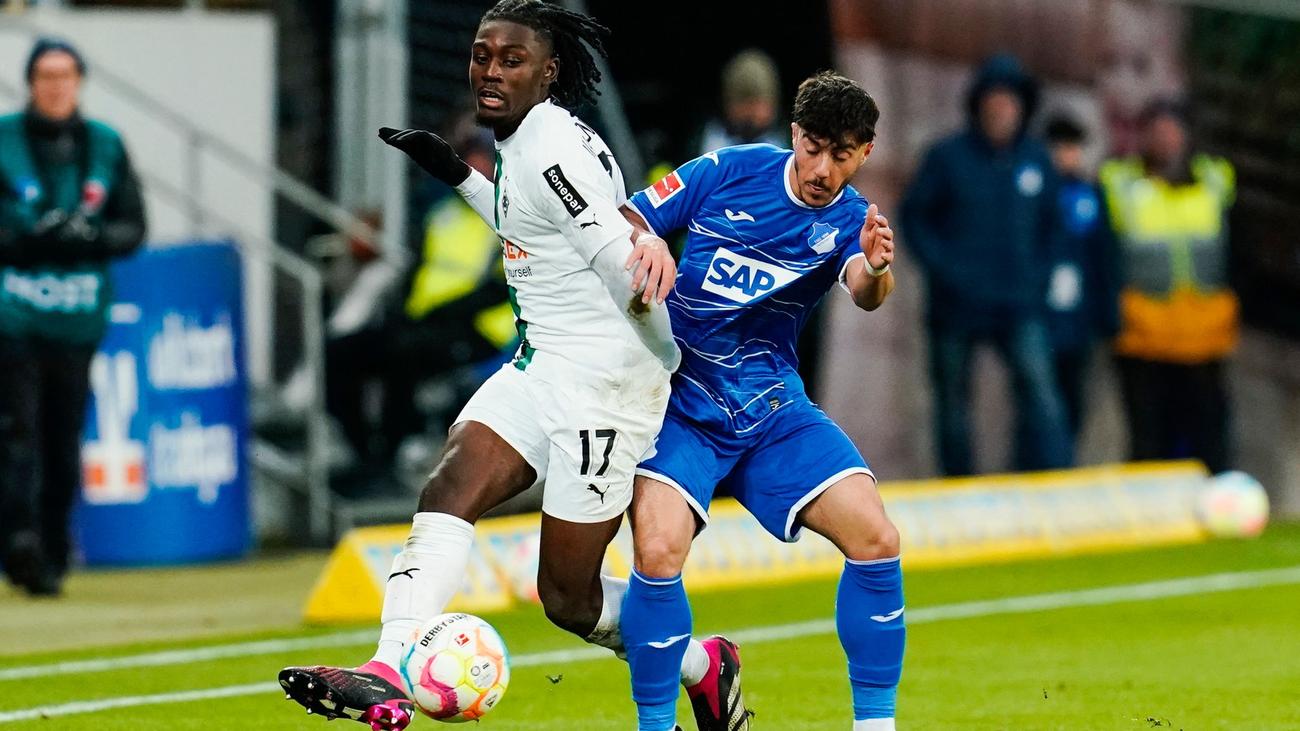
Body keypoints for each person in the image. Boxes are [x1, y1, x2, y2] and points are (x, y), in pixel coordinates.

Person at [279, 4, 727, 730]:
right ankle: (388, 671)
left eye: (511, 60)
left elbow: (618, 263)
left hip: (604, 389)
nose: (489, 71)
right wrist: (458, 174)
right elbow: (533, 225)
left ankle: (702, 665)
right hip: (541, 364)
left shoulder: (549, 149)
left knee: (569, 599)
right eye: (482, 55)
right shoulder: (525, 137)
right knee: (448, 486)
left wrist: (671, 360)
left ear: (548, 72)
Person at [620, 71, 903, 731]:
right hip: (680, 402)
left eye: (843, 155)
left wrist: (877, 267)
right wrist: (648, 239)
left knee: (877, 538)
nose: (824, 170)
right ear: (795, 134)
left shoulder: (852, 219)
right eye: (815, 148)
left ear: (865, 153)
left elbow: (865, 291)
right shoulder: (727, 170)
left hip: (771, 409)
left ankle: (876, 725)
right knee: (657, 552)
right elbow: (629, 216)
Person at [0, 38, 146, 597]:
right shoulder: (5, 140)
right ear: (30, 83)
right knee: (17, 433)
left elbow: (133, 228)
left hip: (78, 319)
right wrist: (26, 238)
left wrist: (91, 237)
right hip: (14, 315)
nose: (55, 85)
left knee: (62, 439)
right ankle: (19, 541)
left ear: (79, 81)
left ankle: (53, 551)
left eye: (64, 75)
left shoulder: (105, 144)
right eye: (45, 75)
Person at [900, 54, 1071, 476]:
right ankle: (957, 486)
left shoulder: (1037, 160)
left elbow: (1055, 226)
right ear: (978, 105)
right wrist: (944, 270)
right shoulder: (947, 157)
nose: (1001, 110)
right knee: (952, 402)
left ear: (1023, 108)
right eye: (993, 101)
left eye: (1010, 102)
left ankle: (1053, 479)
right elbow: (914, 217)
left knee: (1041, 392)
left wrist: (1039, 276)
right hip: (956, 305)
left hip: (1019, 304)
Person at [324, 127, 516, 480]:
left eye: (482, 159)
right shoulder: (441, 216)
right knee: (339, 352)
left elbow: (497, 290)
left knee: (404, 355)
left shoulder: (510, 219)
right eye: (468, 158)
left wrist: (434, 316)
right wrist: (407, 314)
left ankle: (389, 457)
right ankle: (364, 452)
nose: (472, 167)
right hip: (425, 323)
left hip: (479, 331)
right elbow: (418, 271)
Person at [1099, 100, 1236, 473]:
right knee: (1148, 435)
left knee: (1208, 433)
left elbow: (1237, 251)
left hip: (1203, 333)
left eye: (1173, 132)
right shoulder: (1120, 184)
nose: (1166, 141)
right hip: (1143, 331)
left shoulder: (1214, 180)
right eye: (1157, 132)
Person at [1042, 113, 1119, 449]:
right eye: (1059, 147)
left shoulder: (1090, 194)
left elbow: (1105, 255)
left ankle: (1067, 457)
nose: (1066, 155)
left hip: (1081, 317)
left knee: (1076, 396)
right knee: (1040, 400)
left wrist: (1108, 313)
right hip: (1041, 315)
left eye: (1072, 147)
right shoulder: (1037, 192)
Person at [696, 49, 786, 154]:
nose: (750, 115)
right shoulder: (705, 141)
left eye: (756, 104)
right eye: (743, 104)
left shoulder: (790, 143)